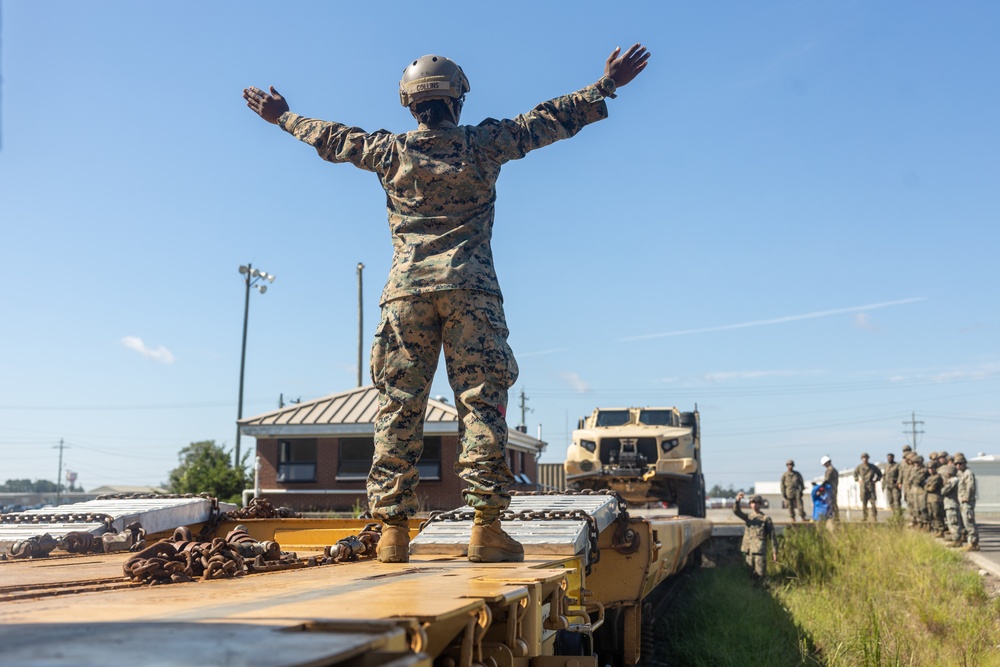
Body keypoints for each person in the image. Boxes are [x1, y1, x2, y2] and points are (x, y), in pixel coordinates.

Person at [243, 45, 650, 564]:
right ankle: (486, 529)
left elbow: (334, 139)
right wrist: (604, 85)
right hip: (471, 292)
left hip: (405, 294)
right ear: (458, 99)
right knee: (480, 402)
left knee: (398, 405)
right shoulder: (483, 145)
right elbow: (547, 121)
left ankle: (392, 532)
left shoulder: (388, 151)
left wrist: (283, 118)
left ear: (410, 105)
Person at [733, 492, 778, 579]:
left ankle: (761, 591)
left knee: (760, 575)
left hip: (759, 552)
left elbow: (772, 537)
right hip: (748, 551)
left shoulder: (766, 519)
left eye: (756, 503)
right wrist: (737, 501)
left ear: (760, 504)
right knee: (749, 576)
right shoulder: (748, 517)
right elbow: (736, 511)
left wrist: (774, 552)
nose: (754, 505)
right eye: (752, 503)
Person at [954, 454, 980, 551]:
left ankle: (973, 543)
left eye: (960, 463)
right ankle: (970, 542)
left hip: (967, 502)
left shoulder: (968, 473)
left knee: (969, 522)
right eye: (956, 464)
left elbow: (970, 486)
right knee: (965, 522)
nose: (958, 466)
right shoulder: (961, 474)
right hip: (962, 502)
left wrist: (966, 497)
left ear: (964, 463)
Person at [853, 452, 883, 521]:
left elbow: (880, 474)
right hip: (863, 487)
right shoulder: (859, 467)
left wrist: (875, 480)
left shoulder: (872, 467)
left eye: (866, 458)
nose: (865, 459)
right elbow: (855, 474)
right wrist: (858, 480)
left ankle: (874, 517)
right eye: (863, 458)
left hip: (871, 486)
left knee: (873, 502)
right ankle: (864, 516)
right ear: (861, 459)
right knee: (864, 502)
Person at [923, 460, 945, 537]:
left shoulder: (937, 477)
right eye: (929, 468)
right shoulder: (929, 478)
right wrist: (927, 487)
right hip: (929, 499)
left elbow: (932, 488)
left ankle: (941, 530)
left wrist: (926, 487)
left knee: (937, 515)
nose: (931, 470)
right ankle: (936, 529)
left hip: (936, 499)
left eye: (932, 468)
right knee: (931, 515)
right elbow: (926, 486)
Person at [821, 456, 840, 521]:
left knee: (832, 502)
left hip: (831, 489)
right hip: (832, 488)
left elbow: (827, 480)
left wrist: (821, 486)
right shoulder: (833, 469)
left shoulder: (830, 469)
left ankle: (835, 517)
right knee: (832, 502)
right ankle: (835, 516)